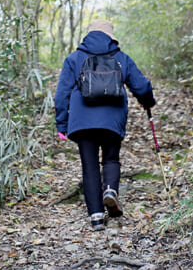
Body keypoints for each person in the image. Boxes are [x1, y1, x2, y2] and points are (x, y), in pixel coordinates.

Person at [54, 19, 156, 231]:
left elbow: (61, 94)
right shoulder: (121, 58)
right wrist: (148, 103)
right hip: (112, 118)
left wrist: (61, 124)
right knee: (111, 158)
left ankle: (97, 217)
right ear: (111, 37)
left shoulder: (74, 58)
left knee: (89, 165)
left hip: (82, 121)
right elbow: (142, 87)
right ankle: (110, 190)